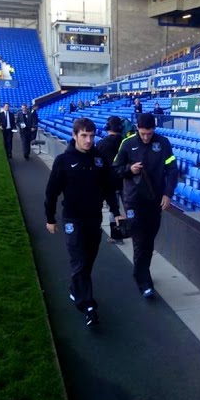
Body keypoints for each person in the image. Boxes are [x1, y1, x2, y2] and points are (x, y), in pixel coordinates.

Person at [45, 118, 123, 327]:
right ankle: (88, 306)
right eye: (84, 136)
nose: (88, 140)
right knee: (78, 260)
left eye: (91, 136)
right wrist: (50, 218)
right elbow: (52, 192)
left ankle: (75, 289)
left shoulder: (99, 160)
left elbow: (108, 187)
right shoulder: (63, 160)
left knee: (87, 261)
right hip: (72, 219)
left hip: (93, 218)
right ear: (74, 135)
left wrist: (116, 212)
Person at [112, 114, 179, 299]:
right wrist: (129, 169)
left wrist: (168, 194)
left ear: (154, 130)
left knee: (148, 240)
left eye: (149, 133)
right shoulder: (127, 143)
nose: (146, 137)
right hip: (133, 200)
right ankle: (144, 282)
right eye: (143, 133)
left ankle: (140, 272)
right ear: (138, 129)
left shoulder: (163, 143)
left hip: (155, 200)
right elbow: (115, 169)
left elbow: (172, 170)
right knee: (140, 239)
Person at [96, 116, 126, 244]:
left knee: (114, 209)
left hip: (109, 182)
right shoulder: (127, 142)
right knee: (129, 209)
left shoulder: (101, 144)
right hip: (126, 181)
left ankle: (116, 236)